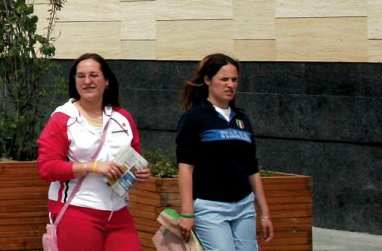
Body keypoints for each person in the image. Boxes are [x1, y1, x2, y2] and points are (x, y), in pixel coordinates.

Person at [37, 53, 151, 251]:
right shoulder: (63, 118)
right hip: (77, 210)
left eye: (94, 75)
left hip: (118, 212)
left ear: (106, 80)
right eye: (81, 76)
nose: (87, 81)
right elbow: (47, 168)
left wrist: (141, 172)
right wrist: (94, 167)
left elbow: (136, 156)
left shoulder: (122, 117)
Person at [176, 53, 273, 251]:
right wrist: (187, 212)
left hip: (244, 206)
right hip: (210, 207)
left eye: (234, 80)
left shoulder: (242, 120)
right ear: (207, 80)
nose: (230, 85)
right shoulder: (194, 118)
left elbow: (252, 168)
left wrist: (265, 213)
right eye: (224, 79)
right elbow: (185, 167)